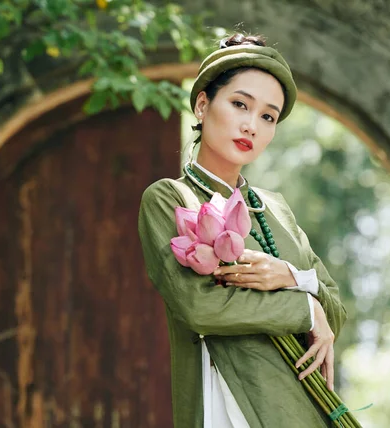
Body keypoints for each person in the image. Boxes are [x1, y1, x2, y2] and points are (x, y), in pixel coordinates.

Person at [138, 33, 348, 428]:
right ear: (203, 104)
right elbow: (200, 308)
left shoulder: (276, 210)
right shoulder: (171, 198)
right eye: (239, 104)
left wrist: (290, 276)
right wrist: (305, 306)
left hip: (304, 410)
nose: (251, 125)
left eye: (268, 116)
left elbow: (334, 310)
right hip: (228, 404)